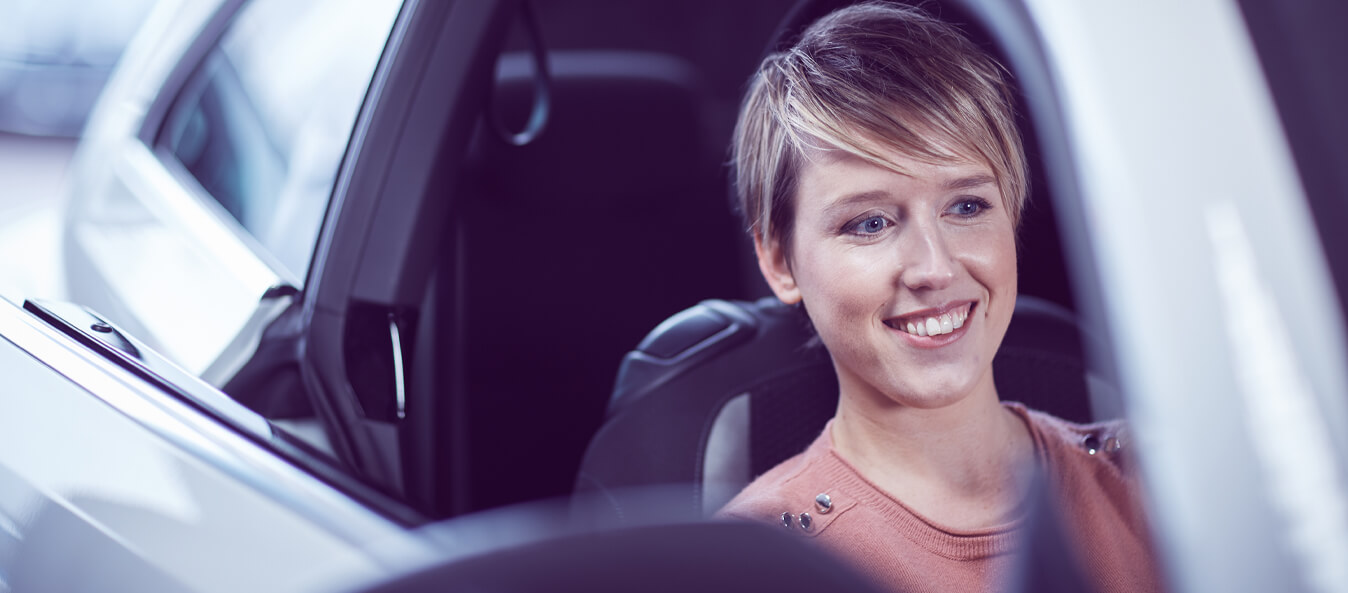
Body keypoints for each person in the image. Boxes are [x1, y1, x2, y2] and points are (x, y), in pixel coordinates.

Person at [717, 3, 1164, 592]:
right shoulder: (751, 564)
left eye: (966, 206)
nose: (934, 267)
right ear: (779, 262)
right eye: (870, 223)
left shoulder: (1161, 482)